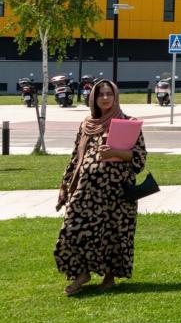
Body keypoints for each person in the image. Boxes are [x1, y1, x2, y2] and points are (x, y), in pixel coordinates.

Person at [55, 81, 147, 295]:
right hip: (86, 191)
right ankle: (81, 273)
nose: (105, 98)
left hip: (117, 191)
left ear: (116, 97)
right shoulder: (87, 124)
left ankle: (109, 277)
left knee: (114, 234)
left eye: (109, 94)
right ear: (93, 98)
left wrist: (116, 152)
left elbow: (140, 158)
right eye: (100, 95)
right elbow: (75, 157)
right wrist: (64, 184)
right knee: (72, 229)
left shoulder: (128, 123)